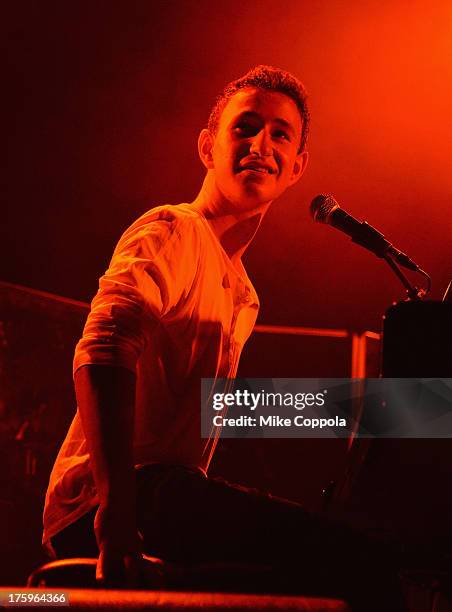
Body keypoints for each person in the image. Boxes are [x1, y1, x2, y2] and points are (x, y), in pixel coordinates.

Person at [43, 66, 406, 610]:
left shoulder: (243, 293)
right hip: (121, 502)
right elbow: (100, 355)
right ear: (208, 147)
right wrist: (114, 518)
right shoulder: (172, 228)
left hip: (166, 496)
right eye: (246, 127)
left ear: (297, 169)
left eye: (280, 134)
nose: (262, 144)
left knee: (340, 570)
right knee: (361, 564)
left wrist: (408, 410)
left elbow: (219, 410)